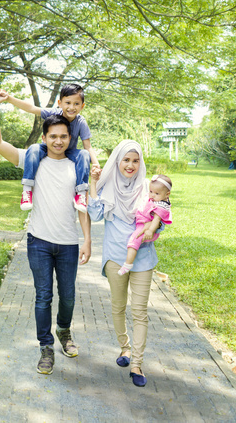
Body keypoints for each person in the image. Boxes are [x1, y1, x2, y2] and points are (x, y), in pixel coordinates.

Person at [0, 89, 92, 375]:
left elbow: (83, 207)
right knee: (43, 296)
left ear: (70, 138)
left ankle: (64, 331)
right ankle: (46, 347)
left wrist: (88, 240)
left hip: (69, 244)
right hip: (39, 243)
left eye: (63, 136)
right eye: (53, 136)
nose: (58, 141)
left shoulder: (76, 164)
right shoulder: (32, 160)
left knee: (68, 296)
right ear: (44, 138)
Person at [87, 140, 163, 388]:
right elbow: (96, 215)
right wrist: (93, 184)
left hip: (143, 258)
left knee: (140, 311)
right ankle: (124, 349)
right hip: (114, 258)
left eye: (135, 160)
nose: (130, 165)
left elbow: (161, 213)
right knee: (118, 307)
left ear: (140, 163)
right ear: (118, 161)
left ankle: (137, 364)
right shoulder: (106, 185)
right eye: (126, 160)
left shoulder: (147, 188)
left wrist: (156, 228)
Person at [0, 85, 102, 212]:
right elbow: (31, 108)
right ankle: (27, 191)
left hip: (70, 151)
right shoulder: (54, 113)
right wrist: (9, 98)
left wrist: (96, 163)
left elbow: (87, 146)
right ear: (60, 103)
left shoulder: (81, 121)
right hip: (48, 148)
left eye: (76, 104)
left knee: (84, 154)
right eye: (68, 103)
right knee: (33, 148)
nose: (71, 107)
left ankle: (81, 194)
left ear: (82, 106)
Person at [118, 174, 173, 275]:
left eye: (156, 193)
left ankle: (128, 264)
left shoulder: (161, 205)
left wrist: (150, 230)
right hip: (143, 224)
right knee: (134, 241)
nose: (152, 195)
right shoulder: (155, 199)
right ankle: (128, 263)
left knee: (133, 241)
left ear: (167, 194)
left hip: (146, 227)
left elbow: (156, 219)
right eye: (151, 191)